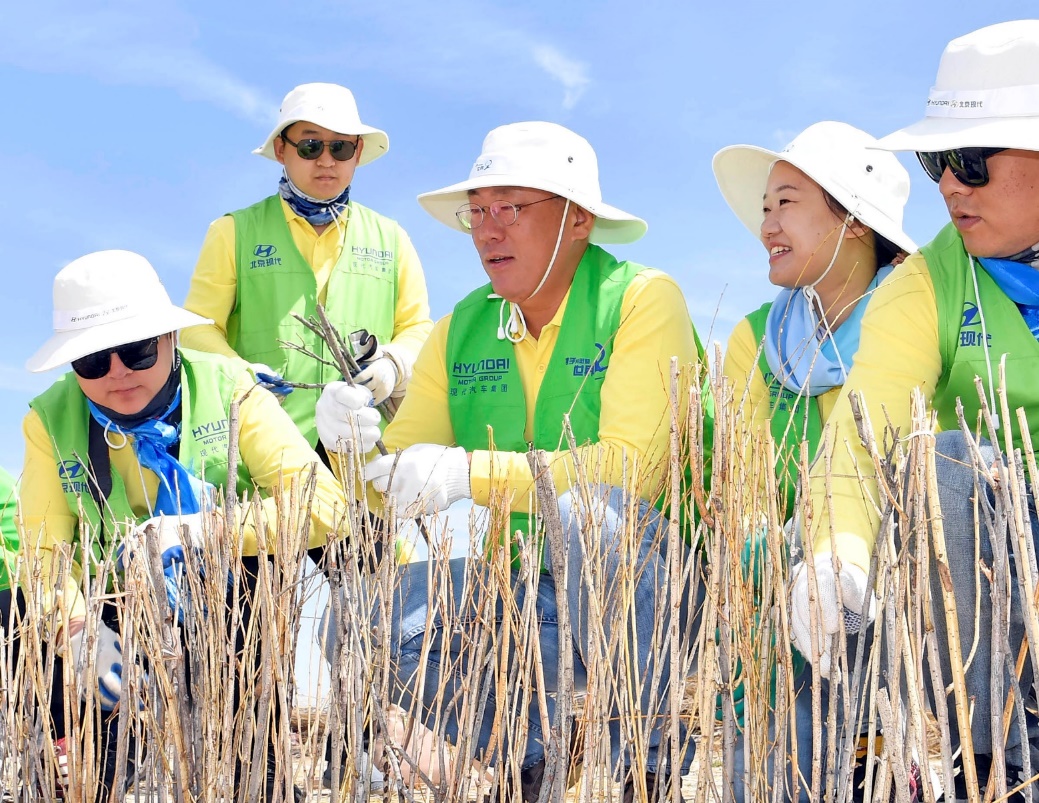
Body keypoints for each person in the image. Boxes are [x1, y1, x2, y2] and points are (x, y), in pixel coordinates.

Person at [318, 121, 707, 801]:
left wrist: (468, 473)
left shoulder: (642, 299)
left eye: (511, 209)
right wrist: (351, 446)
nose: (487, 231)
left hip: (659, 597)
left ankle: (646, 759)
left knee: (589, 513)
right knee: (353, 618)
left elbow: (628, 473)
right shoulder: (463, 326)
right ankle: (531, 758)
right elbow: (392, 481)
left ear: (578, 219)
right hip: (530, 601)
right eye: (478, 211)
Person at [789, 20, 1039, 801]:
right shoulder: (927, 282)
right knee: (950, 466)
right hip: (1006, 571)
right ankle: (1003, 763)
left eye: (969, 162)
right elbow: (864, 428)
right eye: (937, 162)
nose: (947, 187)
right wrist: (834, 548)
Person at [19, 249, 348, 801]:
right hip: (114, 597)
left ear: (171, 339)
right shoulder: (47, 420)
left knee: (253, 762)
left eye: (138, 350)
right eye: (93, 361)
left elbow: (326, 508)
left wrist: (201, 531)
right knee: (100, 756)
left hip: (229, 587)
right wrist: (76, 633)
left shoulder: (232, 385)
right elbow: (42, 552)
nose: (118, 372)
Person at [181, 82, 433, 450]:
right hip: (265, 444)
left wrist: (393, 364)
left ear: (358, 152)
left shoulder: (392, 238)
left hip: (365, 445)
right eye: (311, 146)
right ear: (282, 150)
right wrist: (241, 376)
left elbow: (417, 327)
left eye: (341, 147)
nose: (327, 160)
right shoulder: (232, 231)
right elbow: (196, 330)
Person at [716, 121, 915, 517]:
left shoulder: (919, 317)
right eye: (766, 209)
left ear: (855, 220)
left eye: (785, 204)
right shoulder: (755, 339)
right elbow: (743, 501)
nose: (767, 227)